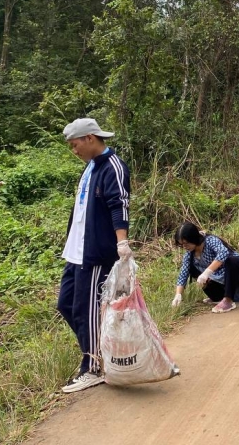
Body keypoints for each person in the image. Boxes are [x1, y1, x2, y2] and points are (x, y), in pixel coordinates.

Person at [57, 118, 133, 394]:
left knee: (86, 311)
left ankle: (93, 367)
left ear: (90, 138)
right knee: (66, 305)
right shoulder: (90, 167)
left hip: (96, 253)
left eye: (74, 144)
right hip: (76, 252)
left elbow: (119, 204)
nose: (73, 150)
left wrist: (122, 243)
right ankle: (100, 352)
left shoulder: (113, 166)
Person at [172, 222, 239, 311]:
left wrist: (207, 272)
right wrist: (178, 294)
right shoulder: (189, 255)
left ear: (193, 238)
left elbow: (223, 252)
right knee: (191, 268)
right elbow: (183, 274)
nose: (185, 247)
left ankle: (228, 300)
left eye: (187, 243)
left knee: (231, 260)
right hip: (218, 279)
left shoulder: (210, 240)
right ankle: (217, 297)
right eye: (182, 245)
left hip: (237, 272)